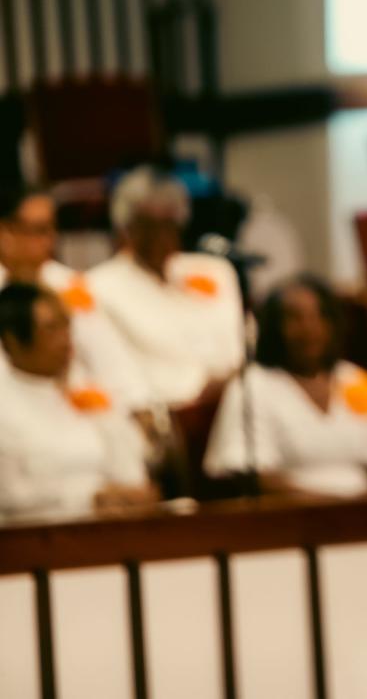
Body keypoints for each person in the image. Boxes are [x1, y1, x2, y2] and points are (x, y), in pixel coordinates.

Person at [203, 274, 367, 497]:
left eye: (319, 316)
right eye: (295, 318)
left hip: (365, 513)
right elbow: (251, 475)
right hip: (293, 517)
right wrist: (330, 509)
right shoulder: (252, 385)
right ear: (274, 326)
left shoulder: (355, 379)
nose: (310, 328)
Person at [87, 166, 245, 408]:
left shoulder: (213, 271)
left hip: (232, 397)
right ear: (126, 228)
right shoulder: (98, 286)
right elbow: (114, 372)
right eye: (148, 226)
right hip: (165, 409)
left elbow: (234, 349)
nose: (160, 237)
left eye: (169, 224)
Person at [0, 283, 156, 523]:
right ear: (12, 341)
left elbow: (128, 467)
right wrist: (87, 499)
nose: (66, 340)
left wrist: (133, 493)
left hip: (109, 530)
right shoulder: (5, 405)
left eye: (67, 325)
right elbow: (10, 495)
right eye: (51, 328)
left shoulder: (83, 392)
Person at [0, 186, 153, 414]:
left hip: (79, 407)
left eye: (53, 228)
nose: (50, 240)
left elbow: (110, 357)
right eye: (39, 230)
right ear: (6, 232)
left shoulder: (70, 286)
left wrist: (140, 406)